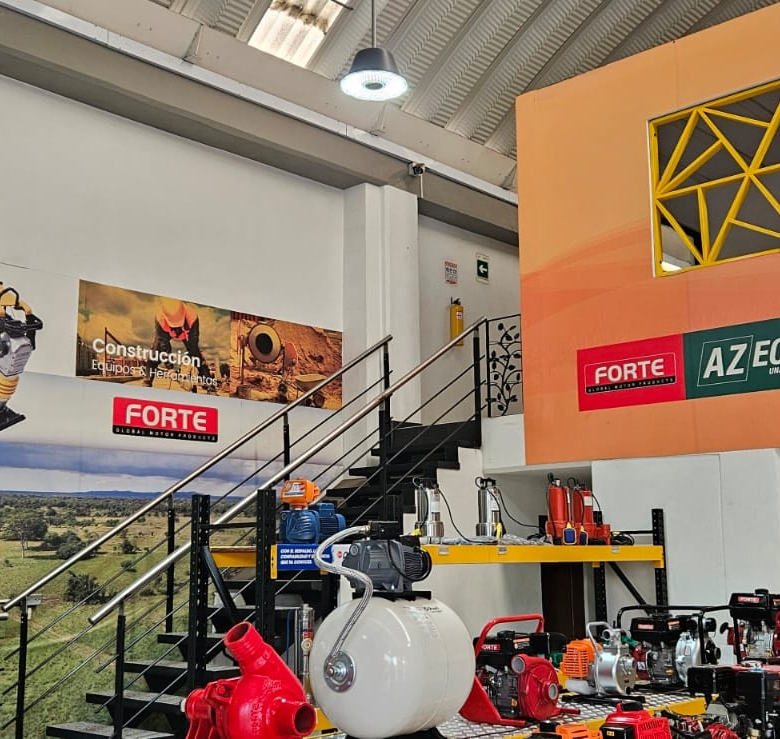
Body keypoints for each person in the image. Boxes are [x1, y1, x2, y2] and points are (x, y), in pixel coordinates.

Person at [142, 298, 213, 389]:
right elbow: (164, 344)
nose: (176, 327)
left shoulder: (192, 318)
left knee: (195, 354)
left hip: (186, 333)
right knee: (154, 353)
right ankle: (146, 382)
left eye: (178, 324)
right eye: (174, 325)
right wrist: (170, 367)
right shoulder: (160, 318)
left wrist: (195, 354)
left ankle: (209, 384)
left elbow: (193, 345)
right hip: (166, 331)